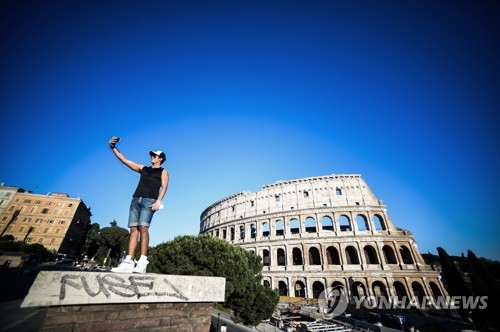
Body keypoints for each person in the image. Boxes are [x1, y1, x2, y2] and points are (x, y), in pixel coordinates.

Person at [108, 136, 169, 273]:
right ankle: (129, 261)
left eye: (155, 155)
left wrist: (158, 201)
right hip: (136, 199)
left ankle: (142, 261)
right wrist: (113, 148)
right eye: (152, 154)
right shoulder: (144, 168)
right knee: (133, 229)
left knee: (143, 228)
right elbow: (124, 161)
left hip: (149, 201)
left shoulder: (163, 171)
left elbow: (164, 186)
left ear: (161, 159)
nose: (152, 156)